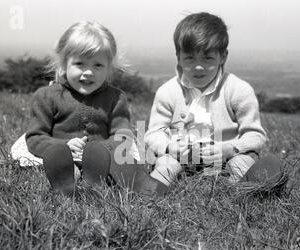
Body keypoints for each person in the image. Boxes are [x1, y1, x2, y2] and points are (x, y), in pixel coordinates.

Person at [144, 12, 286, 191]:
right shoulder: (168, 92)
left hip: (226, 156)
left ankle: (250, 190)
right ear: (178, 57)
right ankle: (149, 192)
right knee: (166, 164)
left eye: (208, 58)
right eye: (189, 58)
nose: (198, 66)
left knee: (242, 162)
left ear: (223, 57)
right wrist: (169, 147)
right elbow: (153, 133)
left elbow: (255, 136)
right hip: (179, 158)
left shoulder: (238, 90)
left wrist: (229, 148)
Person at [25, 21, 161, 195]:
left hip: (102, 157)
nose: (89, 72)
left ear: (109, 67)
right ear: (63, 63)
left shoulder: (116, 98)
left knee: (120, 164)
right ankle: (66, 182)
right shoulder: (46, 96)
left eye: (98, 65)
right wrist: (63, 145)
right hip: (64, 155)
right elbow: (35, 137)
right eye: (80, 64)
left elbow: (122, 136)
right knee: (61, 162)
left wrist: (102, 149)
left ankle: (97, 180)